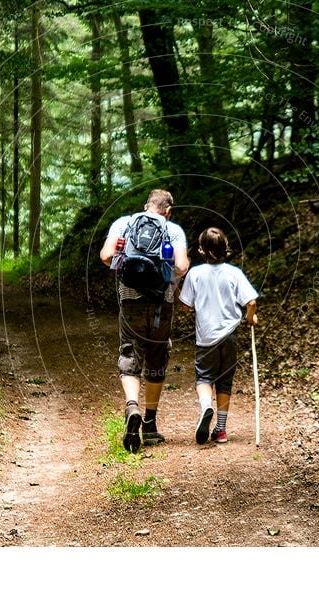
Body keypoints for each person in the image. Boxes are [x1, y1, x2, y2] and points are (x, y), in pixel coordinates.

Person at [100, 189, 189, 452]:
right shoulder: (173, 230)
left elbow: (106, 257)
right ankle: (149, 424)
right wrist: (168, 279)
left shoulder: (124, 223)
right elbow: (182, 266)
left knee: (130, 354)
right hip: (162, 303)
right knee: (156, 356)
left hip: (129, 301)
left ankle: (132, 406)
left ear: (146, 206)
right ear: (168, 211)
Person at [179, 227, 258, 444]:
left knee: (204, 377)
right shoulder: (234, 273)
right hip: (230, 336)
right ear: (226, 248)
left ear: (201, 250)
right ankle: (221, 429)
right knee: (225, 382)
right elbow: (250, 302)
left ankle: (206, 406)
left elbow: (185, 305)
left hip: (206, 337)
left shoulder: (195, 273)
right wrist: (250, 317)